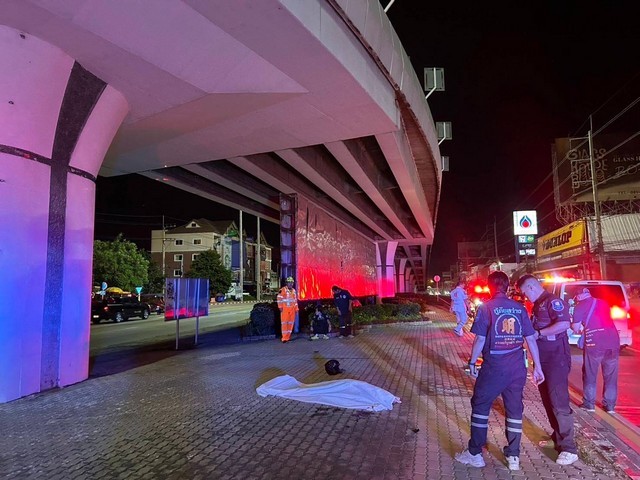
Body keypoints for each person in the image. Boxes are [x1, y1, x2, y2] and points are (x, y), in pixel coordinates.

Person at [455, 271, 545, 471]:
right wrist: (537, 367)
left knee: (480, 405)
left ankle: (475, 453)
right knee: (514, 409)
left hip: (494, 367)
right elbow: (531, 339)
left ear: (490, 287)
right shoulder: (519, 308)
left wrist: (472, 362)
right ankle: (513, 456)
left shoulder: (486, 308)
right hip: (517, 368)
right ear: (508, 286)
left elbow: (480, 339)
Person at [516, 274, 578, 465]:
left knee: (559, 402)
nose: (525, 297)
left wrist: (539, 333)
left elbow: (564, 324)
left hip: (556, 359)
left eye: (524, 293)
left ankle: (569, 448)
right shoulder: (538, 305)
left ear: (531, 287)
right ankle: (557, 438)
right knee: (547, 400)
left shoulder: (553, 301)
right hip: (543, 360)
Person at [571, 288, 620, 413]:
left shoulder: (579, 306)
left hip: (595, 343)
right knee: (611, 376)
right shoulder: (603, 303)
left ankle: (589, 404)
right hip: (613, 341)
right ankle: (610, 406)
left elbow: (576, 328)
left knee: (590, 373)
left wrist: (575, 325)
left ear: (579, 296)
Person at [277, 276, 298, 343]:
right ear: (286, 283)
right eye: (289, 282)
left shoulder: (294, 291)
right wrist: (280, 307)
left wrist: (296, 309)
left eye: (291, 282)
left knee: (290, 323)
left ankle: (288, 337)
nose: (290, 284)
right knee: (284, 323)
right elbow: (279, 298)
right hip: (285, 309)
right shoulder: (283, 290)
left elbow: (295, 300)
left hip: (292, 310)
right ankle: (284, 338)